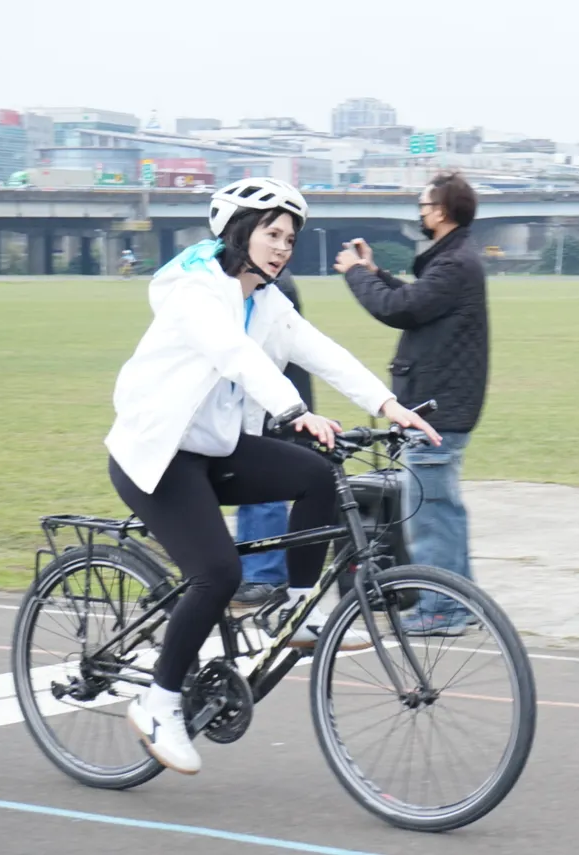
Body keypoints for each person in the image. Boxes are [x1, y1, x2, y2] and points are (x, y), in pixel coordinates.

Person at [104, 176, 439, 775]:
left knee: (318, 476)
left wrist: (390, 406)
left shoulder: (266, 299)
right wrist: (295, 411)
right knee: (217, 573)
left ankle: (298, 613)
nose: (283, 247)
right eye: (273, 234)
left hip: (215, 450)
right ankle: (158, 703)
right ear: (239, 232)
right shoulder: (196, 290)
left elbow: (321, 350)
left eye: (289, 238)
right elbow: (235, 355)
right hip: (156, 455)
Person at [334, 171, 489, 638]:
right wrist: (375, 272)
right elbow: (414, 301)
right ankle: (462, 603)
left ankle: (441, 610)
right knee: (444, 509)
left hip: (435, 408)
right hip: (443, 404)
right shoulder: (454, 260)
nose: (420, 213)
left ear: (440, 211)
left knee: (431, 513)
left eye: (423, 206)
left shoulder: (454, 264)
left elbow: (398, 309)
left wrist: (356, 273)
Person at [230, 266, 317, 609]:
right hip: (268, 401)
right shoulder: (260, 278)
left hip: (273, 405)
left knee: (264, 492)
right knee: (251, 489)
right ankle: (254, 570)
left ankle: (264, 575)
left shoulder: (269, 285)